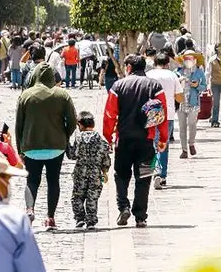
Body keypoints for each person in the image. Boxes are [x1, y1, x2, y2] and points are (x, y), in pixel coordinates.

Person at [103, 54, 169, 228]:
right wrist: (163, 138)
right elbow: (162, 114)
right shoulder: (155, 86)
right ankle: (140, 216)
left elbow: (110, 114)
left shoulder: (118, 86)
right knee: (144, 177)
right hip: (146, 140)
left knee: (121, 175)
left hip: (123, 139)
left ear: (129, 67)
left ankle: (123, 207)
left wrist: (107, 136)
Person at [15, 63, 78, 229]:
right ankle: (50, 218)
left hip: (31, 146)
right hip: (56, 146)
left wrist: (19, 148)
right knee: (53, 181)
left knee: (32, 181)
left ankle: (29, 209)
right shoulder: (62, 95)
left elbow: (18, 125)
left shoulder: (26, 95)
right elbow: (73, 121)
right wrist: (64, 135)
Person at [66, 111, 112, 229]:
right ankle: (91, 220)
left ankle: (79, 218)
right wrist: (105, 170)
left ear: (80, 125)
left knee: (77, 196)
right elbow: (105, 157)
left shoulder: (78, 137)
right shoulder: (100, 139)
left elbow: (72, 155)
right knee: (92, 196)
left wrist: (67, 145)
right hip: (95, 173)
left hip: (80, 172)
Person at [146, 52, 181, 189]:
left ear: (155, 63)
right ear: (167, 63)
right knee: (163, 145)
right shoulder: (172, 75)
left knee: (152, 144)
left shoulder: (149, 75)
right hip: (168, 114)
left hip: (152, 113)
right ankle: (162, 175)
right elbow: (179, 97)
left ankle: (154, 172)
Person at [176, 51, 207, 159]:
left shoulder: (199, 72)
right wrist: (180, 81)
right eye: (186, 59)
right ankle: (184, 150)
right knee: (182, 127)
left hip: (193, 102)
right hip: (181, 102)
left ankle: (191, 143)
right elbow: (174, 84)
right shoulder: (178, 72)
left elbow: (204, 86)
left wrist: (197, 85)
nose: (189, 61)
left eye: (191, 58)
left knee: (192, 124)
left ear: (195, 60)